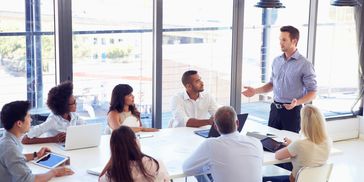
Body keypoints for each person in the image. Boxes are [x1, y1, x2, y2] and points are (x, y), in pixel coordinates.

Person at [242, 25, 317, 133]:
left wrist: (297, 103)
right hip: (275, 110)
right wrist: (255, 91)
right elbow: (272, 84)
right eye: (280, 39)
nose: (280, 43)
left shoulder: (305, 64)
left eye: (284, 40)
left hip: (293, 112)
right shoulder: (276, 61)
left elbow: (313, 92)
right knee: (270, 144)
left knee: (289, 146)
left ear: (294, 41)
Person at [183, 106, 263, 182]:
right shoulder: (256, 142)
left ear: (215, 126)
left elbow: (186, 169)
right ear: (237, 123)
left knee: (199, 171)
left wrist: (208, 167)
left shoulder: (211, 145)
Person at [0, 100, 74, 181]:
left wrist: (36, 155)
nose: (31, 120)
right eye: (28, 116)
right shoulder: (10, 148)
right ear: (19, 123)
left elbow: (14, 158)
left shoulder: (7, 138)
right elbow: (27, 179)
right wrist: (54, 172)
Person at [264, 104, 332, 182]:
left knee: (261, 179)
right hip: (317, 180)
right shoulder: (328, 141)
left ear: (304, 123)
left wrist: (292, 146)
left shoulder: (299, 144)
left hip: (295, 180)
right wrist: (292, 145)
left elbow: (278, 156)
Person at [99, 126, 170, 182]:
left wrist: (114, 156)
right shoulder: (156, 164)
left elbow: (100, 179)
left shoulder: (111, 175)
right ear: (135, 141)